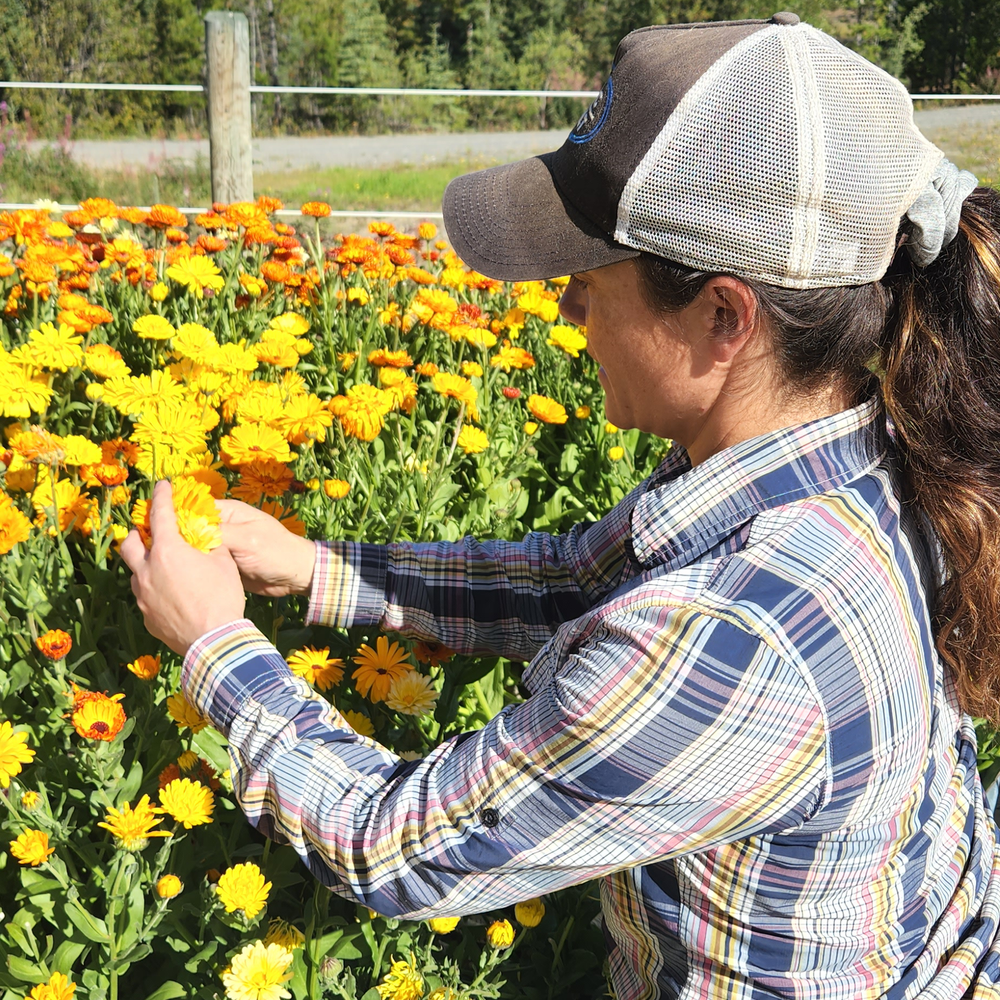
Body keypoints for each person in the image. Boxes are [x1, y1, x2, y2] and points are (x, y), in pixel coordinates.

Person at [121, 12, 1000, 999]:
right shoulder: (859, 456)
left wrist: (215, 648)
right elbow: (578, 579)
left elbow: (393, 845)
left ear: (723, 316)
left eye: (587, 279)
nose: (566, 309)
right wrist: (327, 572)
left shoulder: (740, 635)